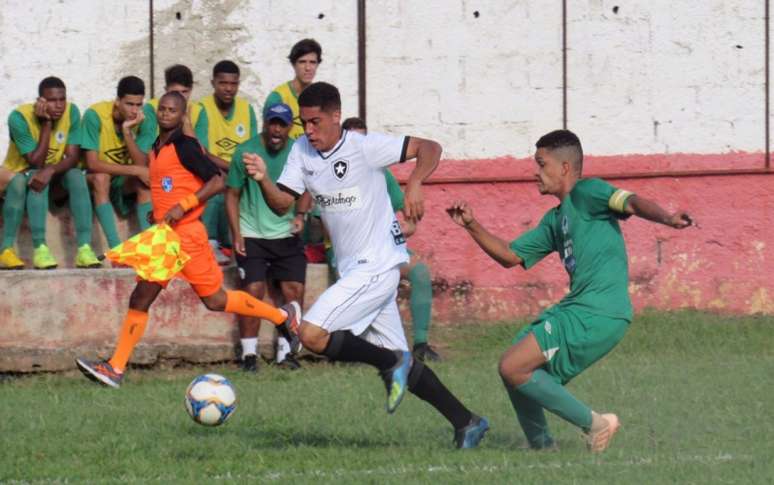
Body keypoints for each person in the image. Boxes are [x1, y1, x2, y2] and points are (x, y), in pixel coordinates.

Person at [243, 82, 489, 449]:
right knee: (406, 363)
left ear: (335, 117)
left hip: (376, 267)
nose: (308, 130)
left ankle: (389, 364)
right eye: (303, 122)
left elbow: (430, 147)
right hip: (356, 272)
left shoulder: (364, 147)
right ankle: (467, 421)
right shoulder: (301, 150)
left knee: (311, 335)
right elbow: (282, 204)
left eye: (314, 122)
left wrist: (416, 183)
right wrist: (263, 179)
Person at [447, 129, 694, 452]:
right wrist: (471, 225)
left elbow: (630, 201)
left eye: (541, 164)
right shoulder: (555, 219)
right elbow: (510, 256)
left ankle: (597, 424)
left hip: (597, 312)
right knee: (518, 365)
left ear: (564, 168)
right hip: (581, 309)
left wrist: (667, 218)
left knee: (513, 365)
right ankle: (542, 447)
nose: (536, 172)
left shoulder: (589, 191)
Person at [75, 91, 300, 388]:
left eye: (172, 110)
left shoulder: (186, 145)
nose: (166, 113)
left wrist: (182, 205)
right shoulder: (159, 145)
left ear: (183, 116)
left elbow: (217, 181)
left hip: (187, 236)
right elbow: (150, 168)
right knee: (152, 297)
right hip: (168, 236)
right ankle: (115, 368)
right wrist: (159, 209)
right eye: (163, 109)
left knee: (214, 300)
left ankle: (281, 317)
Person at [341, 117, 441, 362]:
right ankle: (357, 348)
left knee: (420, 272)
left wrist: (400, 225)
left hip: (384, 248)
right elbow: (323, 225)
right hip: (349, 252)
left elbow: (409, 222)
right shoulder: (334, 173)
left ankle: (420, 344)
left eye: (364, 139)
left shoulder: (379, 172)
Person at [226, 103, 311, 372]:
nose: (276, 129)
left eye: (282, 124)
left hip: (286, 234)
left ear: (289, 127)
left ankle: (285, 354)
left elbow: (309, 185)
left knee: (293, 291)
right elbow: (232, 194)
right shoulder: (245, 151)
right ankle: (249, 355)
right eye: (272, 123)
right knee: (253, 291)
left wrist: (301, 215)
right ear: (264, 124)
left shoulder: (299, 152)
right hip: (252, 234)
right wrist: (236, 232)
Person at [0, 76, 100, 269]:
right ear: (40, 101)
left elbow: (72, 157)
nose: (59, 105)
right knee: (30, 177)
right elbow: (35, 161)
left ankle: (84, 249)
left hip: (50, 176)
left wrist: (51, 170)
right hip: (17, 178)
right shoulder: (19, 117)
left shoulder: (71, 112)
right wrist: (46, 123)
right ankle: (35, 249)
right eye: (52, 100)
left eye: (62, 99)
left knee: (76, 175)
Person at [81, 75, 156, 251]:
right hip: (91, 178)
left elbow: (141, 164)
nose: (134, 110)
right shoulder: (95, 115)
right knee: (101, 178)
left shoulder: (145, 120)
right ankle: (116, 250)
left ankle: (152, 248)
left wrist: (127, 131)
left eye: (138, 105)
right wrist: (136, 170)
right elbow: (92, 164)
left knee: (145, 182)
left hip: (121, 179)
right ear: (117, 101)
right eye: (129, 104)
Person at [196, 60, 258, 264]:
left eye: (233, 84)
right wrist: (232, 168)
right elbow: (201, 151)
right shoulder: (202, 108)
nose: (228, 88)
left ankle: (241, 241)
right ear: (213, 82)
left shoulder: (246, 110)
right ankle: (211, 241)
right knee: (218, 179)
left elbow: (254, 147)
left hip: (240, 170)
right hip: (212, 168)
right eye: (223, 83)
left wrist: (241, 169)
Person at [264, 39, 322, 140]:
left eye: (312, 62)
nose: (308, 68)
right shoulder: (278, 97)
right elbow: (268, 138)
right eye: (302, 62)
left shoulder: (321, 97)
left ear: (317, 65)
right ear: (293, 64)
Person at [145, 64, 203, 138]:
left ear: (191, 90)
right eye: (175, 92)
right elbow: (146, 146)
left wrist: (187, 124)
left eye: (184, 91)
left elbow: (201, 149)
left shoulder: (199, 110)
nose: (180, 97)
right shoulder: (151, 108)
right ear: (166, 89)